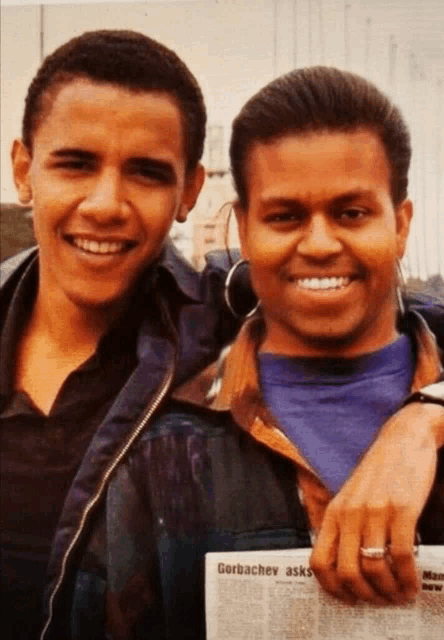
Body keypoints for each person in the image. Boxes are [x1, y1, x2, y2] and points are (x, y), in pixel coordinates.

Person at [0, 31, 443, 639]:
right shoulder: (175, 433)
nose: (106, 204)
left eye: (146, 173)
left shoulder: (206, 322)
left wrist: (426, 416)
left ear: (188, 194)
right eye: (75, 163)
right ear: (23, 170)